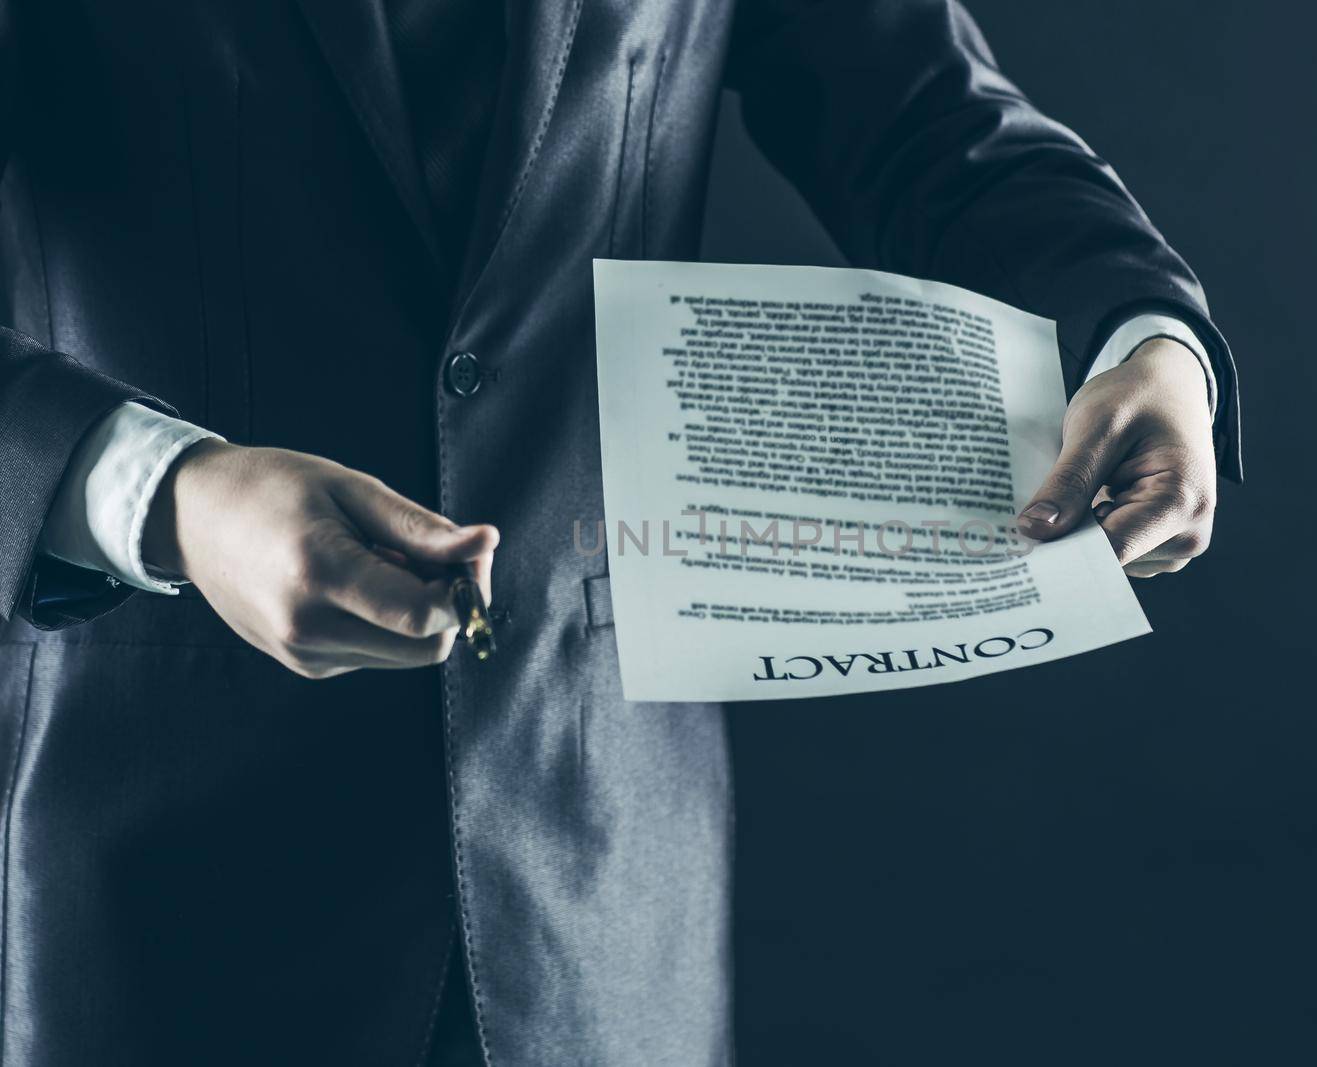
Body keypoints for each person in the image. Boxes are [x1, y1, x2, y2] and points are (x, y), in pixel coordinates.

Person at [0, 0, 1240, 1062]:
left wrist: (1142, 334)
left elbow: (927, 121)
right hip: (147, 877)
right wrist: (162, 493)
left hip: (602, 881)